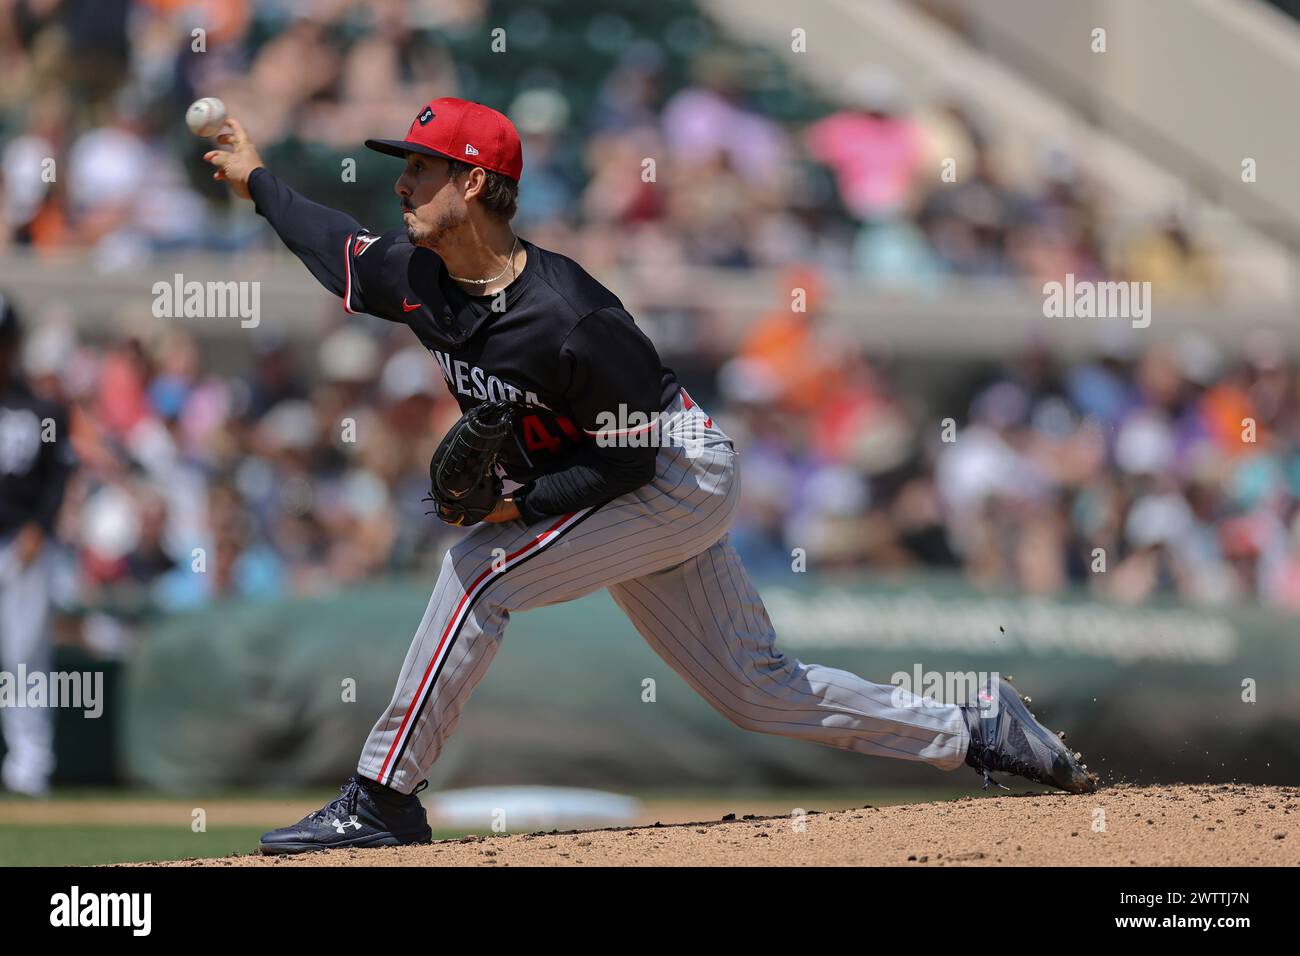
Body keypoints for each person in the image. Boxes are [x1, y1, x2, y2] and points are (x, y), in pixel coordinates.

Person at [203, 97, 1096, 854]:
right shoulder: (419, 276)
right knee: (756, 691)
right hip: (614, 491)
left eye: (424, 168)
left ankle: (383, 799)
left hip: (672, 477)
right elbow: (336, 248)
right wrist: (257, 181)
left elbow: (628, 455)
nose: (403, 183)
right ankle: (975, 729)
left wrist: (518, 502)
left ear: (475, 185)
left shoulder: (572, 316)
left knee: (478, 574)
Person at [0, 294, 74, 797]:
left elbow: (57, 476)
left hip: (21, 543)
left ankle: (29, 765)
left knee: (23, 656)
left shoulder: (41, 408)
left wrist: (38, 527)